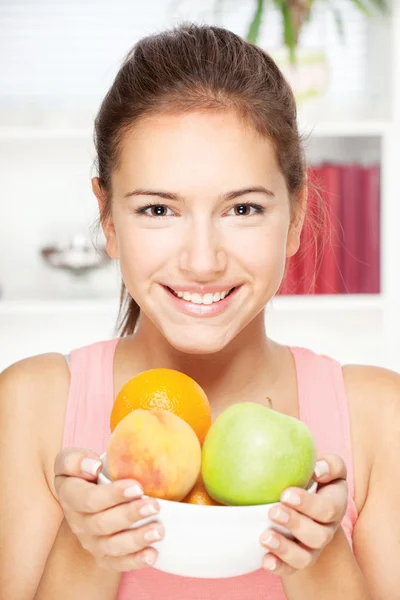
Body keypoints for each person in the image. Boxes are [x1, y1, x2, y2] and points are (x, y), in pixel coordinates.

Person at [1, 22, 399, 600]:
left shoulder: (378, 420)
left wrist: (318, 552)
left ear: (296, 211)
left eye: (242, 209)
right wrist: (85, 546)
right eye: (159, 210)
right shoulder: (33, 407)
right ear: (108, 219)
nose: (202, 260)